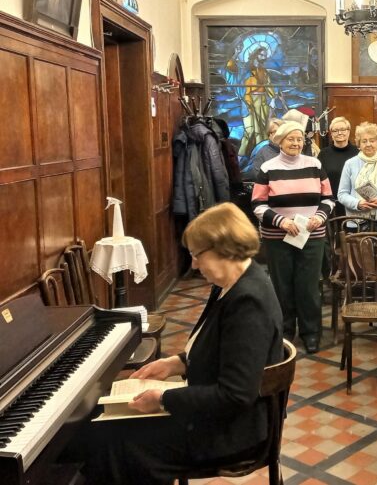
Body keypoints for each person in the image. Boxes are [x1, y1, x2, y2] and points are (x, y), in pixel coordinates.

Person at [74, 202, 283, 485]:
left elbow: (236, 395)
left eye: (196, 255)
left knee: (118, 442)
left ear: (223, 248)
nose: (193, 264)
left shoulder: (249, 301)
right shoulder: (231, 285)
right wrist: (177, 363)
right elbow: (222, 349)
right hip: (218, 418)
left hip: (232, 433)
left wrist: (163, 399)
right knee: (105, 428)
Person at [252, 121, 334, 354]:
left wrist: (319, 217)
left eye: (299, 139)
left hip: (312, 236)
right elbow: (257, 205)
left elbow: (328, 199)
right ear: (280, 141)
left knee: (309, 287)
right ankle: (285, 331)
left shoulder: (315, 164)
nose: (296, 143)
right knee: (282, 286)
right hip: (277, 238)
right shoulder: (267, 168)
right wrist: (282, 222)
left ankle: (311, 332)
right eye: (291, 139)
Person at [338, 122, 377, 227]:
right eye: (364, 141)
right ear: (359, 144)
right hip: (356, 222)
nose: (368, 144)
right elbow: (342, 194)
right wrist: (357, 204)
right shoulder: (350, 164)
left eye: (372, 141)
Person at [318, 116, 359, 217]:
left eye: (343, 129)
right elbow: (319, 179)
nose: (339, 133)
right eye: (335, 130)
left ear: (348, 131)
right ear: (331, 133)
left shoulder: (358, 153)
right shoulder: (323, 154)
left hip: (354, 203)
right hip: (332, 203)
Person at [241, 117, 283, 182]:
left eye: (281, 131)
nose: (279, 135)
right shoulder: (262, 152)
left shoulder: (292, 150)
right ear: (269, 135)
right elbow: (258, 177)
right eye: (275, 132)